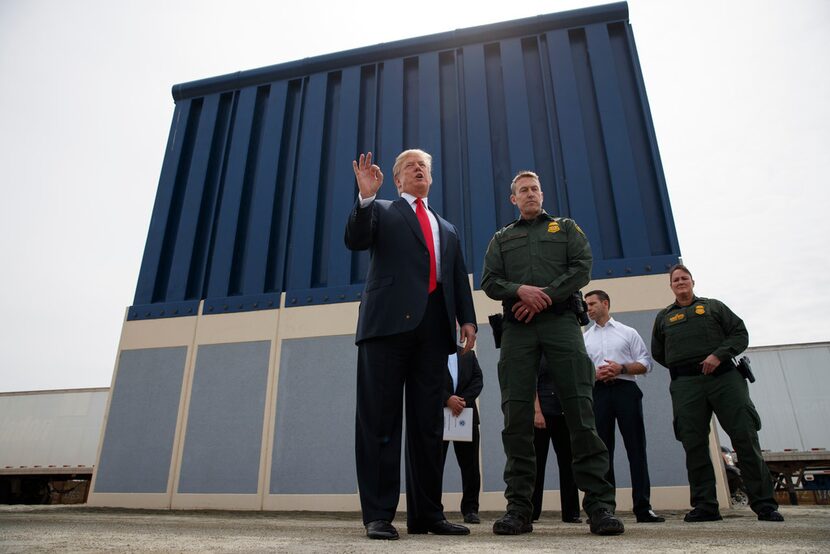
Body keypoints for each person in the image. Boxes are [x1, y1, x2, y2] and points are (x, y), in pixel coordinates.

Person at [481, 170, 623, 536]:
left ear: (542, 194)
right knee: (516, 414)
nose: (529, 194)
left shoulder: (566, 228)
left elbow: (581, 269)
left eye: (534, 189)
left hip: (561, 324)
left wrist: (543, 298)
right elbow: (490, 282)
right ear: (513, 199)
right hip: (518, 329)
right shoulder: (502, 238)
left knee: (580, 408)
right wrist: (520, 290)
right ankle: (519, 509)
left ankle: (599, 505)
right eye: (522, 191)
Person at [345, 150, 478, 539]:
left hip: (433, 333)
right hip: (386, 328)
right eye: (409, 167)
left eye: (424, 167)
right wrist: (365, 197)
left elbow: (456, 277)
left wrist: (467, 318)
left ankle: (427, 514)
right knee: (380, 421)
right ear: (398, 180)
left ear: (430, 179)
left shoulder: (447, 228)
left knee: (428, 427)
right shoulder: (382, 211)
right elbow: (356, 239)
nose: (418, 170)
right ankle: (379, 515)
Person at [651, 264, 783, 523]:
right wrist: (687, 367)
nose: (680, 282)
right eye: (675, 279)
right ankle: (705, 505)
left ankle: (765, 505)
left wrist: (717, 356)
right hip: (687, 384)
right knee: (693, 443)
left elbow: (740, 334)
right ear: (671, 285)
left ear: (692, 281)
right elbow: (659, 352)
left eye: (684, 278)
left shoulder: (714, 307)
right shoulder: (664, 317)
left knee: (744, 436)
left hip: (724, 379)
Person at [583, 290, 665, 523]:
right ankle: (604, 507)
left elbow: (646, 363)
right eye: (586, 305)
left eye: (592, 304)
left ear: (605, 304)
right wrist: (594, 375)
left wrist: (621, 368)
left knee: (636, 449)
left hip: (625, 390)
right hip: (598, 393)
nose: (588, 309)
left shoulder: (628, 332)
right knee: (602, 452)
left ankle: (643, 507)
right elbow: (581, 372)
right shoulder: (585, 339)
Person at [531, 356, 581, 523]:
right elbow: (532, 383)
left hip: (563, 413)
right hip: (542, 415)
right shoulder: (537, 354)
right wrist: (537, 412)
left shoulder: (563, 352)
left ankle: (571, 512)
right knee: (537, 464)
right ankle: (532, 511)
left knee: (568, 464)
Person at [442, 347, 483, 524]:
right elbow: (427, 379)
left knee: (470, 466)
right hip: (439, 416)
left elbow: (477, 380)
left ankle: (470, 509)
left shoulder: (468, 354)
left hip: (466, 415)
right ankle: (434, 508)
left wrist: (462, 400)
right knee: (435, 466)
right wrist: (447, 399)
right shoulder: (431, 352)